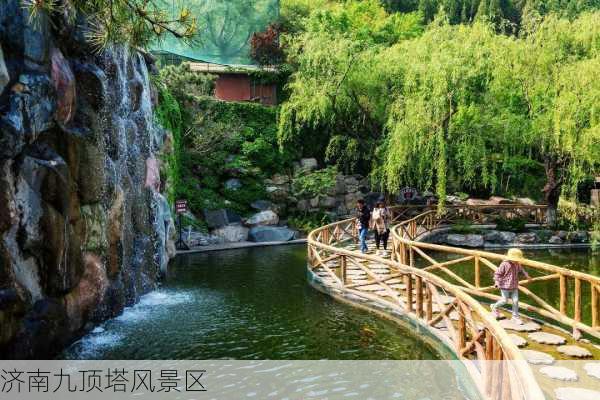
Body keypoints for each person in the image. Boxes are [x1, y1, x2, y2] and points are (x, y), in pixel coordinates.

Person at [491, 248, 530, 325]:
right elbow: (497, 274)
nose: (516, 260)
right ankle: (494, 307)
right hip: (505, 286)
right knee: (504, 300)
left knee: (515, 301)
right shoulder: (504, 264)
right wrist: (497, 282)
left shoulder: (517, 264)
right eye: (515, 259)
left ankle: (515, 317)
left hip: (514, 286)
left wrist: (526, 275)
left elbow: (521, 270)